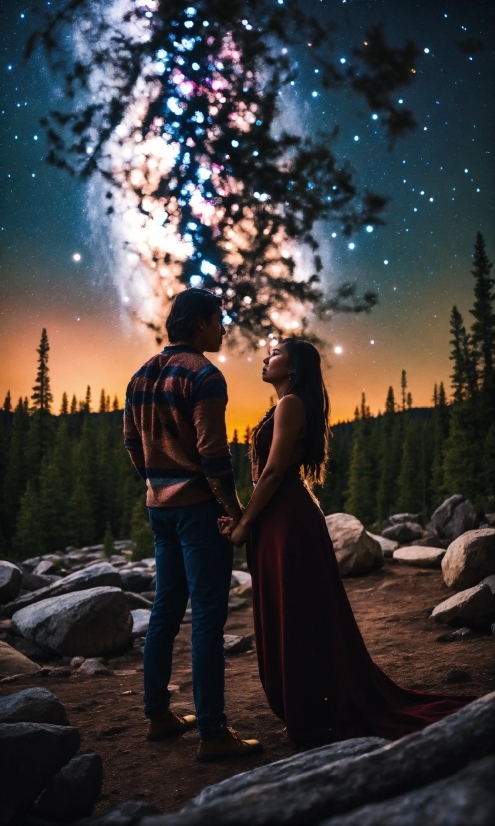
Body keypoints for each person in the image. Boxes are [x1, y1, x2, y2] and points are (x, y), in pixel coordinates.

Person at [219, 339, 474, 745]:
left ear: (295, 366)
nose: (266, 358)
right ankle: (308, 706)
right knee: (294, 611)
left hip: (287, 522)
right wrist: (247, 520)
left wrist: (243, 525)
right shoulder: (287, 403)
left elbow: (271, 474)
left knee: (297, 614)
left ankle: (311, 710)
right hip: (280, 520)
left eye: (276, 353)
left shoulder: (290, 404)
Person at [124, 288, 262, 761]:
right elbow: (212, 454)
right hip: (200, 510)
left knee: (165, 609)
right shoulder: (204, 375)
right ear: (200, 323)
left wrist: (155, 483)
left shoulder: (140, 375)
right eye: (219, 320)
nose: (223, 329)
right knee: (206, 618)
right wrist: (236, 510)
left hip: (159, 508)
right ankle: (212, 732)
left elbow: (131, 443)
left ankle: (158, 715)